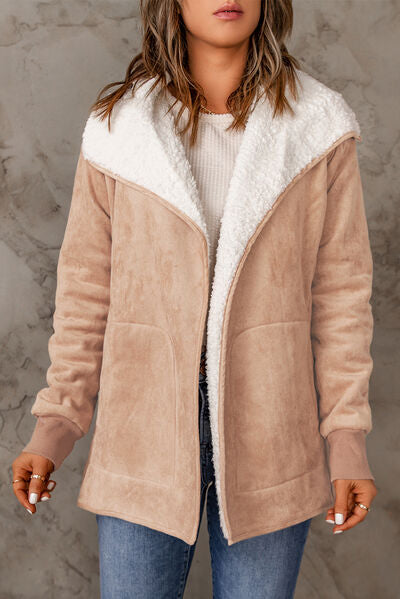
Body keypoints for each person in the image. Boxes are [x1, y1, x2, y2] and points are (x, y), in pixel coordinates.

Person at [12, 0, 378, 596]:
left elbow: (341, 298)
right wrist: (54, 426)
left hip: (273, 436)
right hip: (141, 436)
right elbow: (86, 292)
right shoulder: (119, 130)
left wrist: (347, 440)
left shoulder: (317, 127)